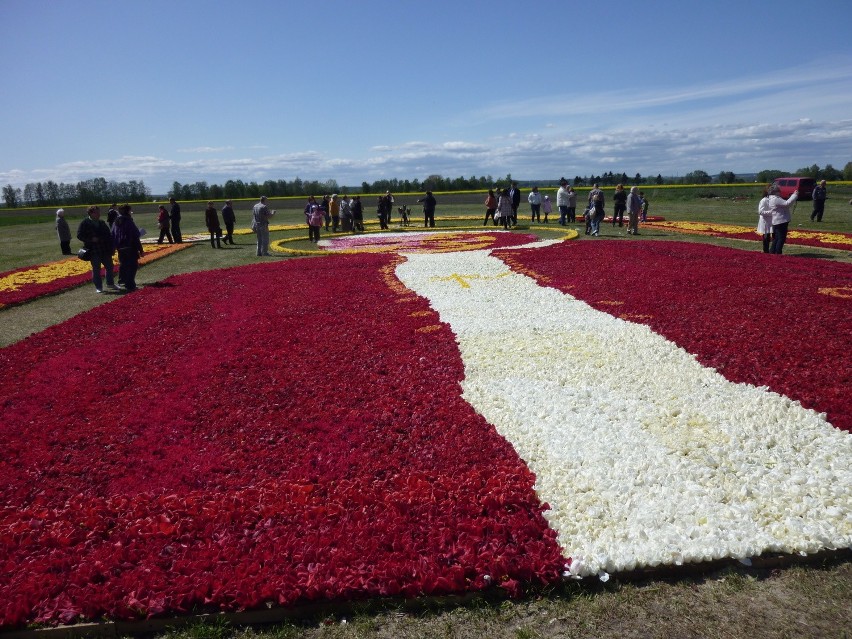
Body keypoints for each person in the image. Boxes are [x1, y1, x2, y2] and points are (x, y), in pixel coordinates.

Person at [77, 205, 118, 293]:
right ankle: (99, 287)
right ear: (91, 213)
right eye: (96, 212)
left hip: (105, 249)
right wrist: (90, 239)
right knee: (96, 269)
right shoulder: (85, 223)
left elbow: (109, 235)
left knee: (110, 266)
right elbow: (79, 235)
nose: (99, 214)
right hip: (94, 250)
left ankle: (110, 283)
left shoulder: (102, 222)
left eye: (99, 212)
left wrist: (112, 247)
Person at [111, 204, 144, 292]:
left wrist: (114, 247)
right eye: (130, 210)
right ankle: (130, 285)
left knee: (124, 265)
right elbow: (135, 236)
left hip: (120, 248)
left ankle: (122, 281)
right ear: (127, 211)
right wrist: (141, 250)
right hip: (130, 247)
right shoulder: (129, 221)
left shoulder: (116, 222)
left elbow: (113, 235)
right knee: (132, 266)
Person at [765, 184, 798, 254]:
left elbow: (785, 205)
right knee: (781, 238)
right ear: (775, 191)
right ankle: (778, 252)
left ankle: (772, 251)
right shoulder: (775, 198)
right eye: (779, 191)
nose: (780, 192)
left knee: (776, 238)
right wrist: (794, 195)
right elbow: (787, 204)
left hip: (777, 221)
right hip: (781, 221)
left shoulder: (772, 198)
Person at [757, 187, 772, 253]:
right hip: (765, 221)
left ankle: (769, 250)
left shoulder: (771, 200)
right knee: (766, 237)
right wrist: (771, 212)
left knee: (768, 237)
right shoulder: (764, 200)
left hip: (770, 221)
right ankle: (766, 251)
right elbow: (761, 211)